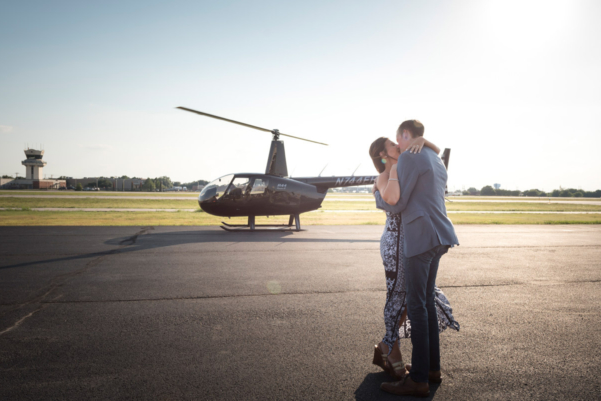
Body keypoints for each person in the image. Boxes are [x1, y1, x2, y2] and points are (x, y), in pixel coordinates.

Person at [373, 120, 460, 398]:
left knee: (417, 305)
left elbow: (398, 204)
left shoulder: (410, 158)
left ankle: (420, 378)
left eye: (398, 139)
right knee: (426, 305)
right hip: (441, 234)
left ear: (405, 136)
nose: (398, 145)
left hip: (420, 238)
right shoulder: (435, 157)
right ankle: (431, 368)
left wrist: (376, 197)